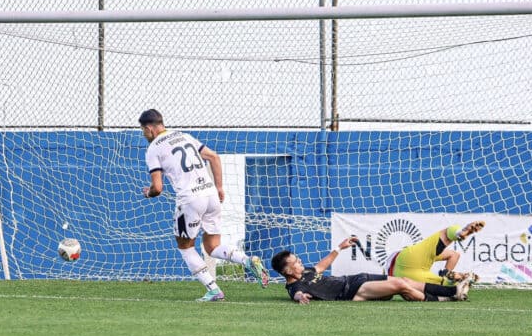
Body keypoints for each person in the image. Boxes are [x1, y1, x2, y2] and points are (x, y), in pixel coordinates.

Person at [139, 109, 269, 301]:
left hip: (190, 199)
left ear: (149, 128)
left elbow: (158, 188)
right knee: (212, 246)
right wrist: (220, 187)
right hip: (210, 194)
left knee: (185, 247)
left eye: (143, 130)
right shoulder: (184, 136)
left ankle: (214, 290)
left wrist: (148, 193)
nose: (143, 134)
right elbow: (214, 157)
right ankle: (248, 260)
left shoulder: (153, 149)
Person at [270, 237, 475, 304]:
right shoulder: (295, 284)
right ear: (287, 271)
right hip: (351, 291)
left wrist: (339, 248)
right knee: (400, 284)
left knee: (403, 282)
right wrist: (299, 297)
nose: (300, 262)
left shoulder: (305, 272)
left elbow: (321, 266)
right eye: (295, 262)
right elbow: (296, 293)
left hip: (356, 279)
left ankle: (447, 297)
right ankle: (452, 292)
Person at [386, 220, 484, 285]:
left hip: (405, 271)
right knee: (445, 284)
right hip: (404, 269)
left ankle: (458, 232)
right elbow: (453, 255)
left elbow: (454, 255)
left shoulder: (428, 259)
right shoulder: (428, 258)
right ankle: (459, 232)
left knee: (446, 284)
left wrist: (449, 274)